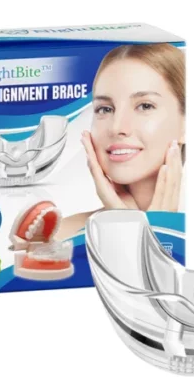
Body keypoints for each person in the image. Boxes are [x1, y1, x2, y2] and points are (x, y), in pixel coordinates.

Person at [57, 43, 185, 240]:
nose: (117, 127)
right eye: (105, 109)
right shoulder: (59, 236)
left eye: (145, 106)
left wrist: (149, 233)